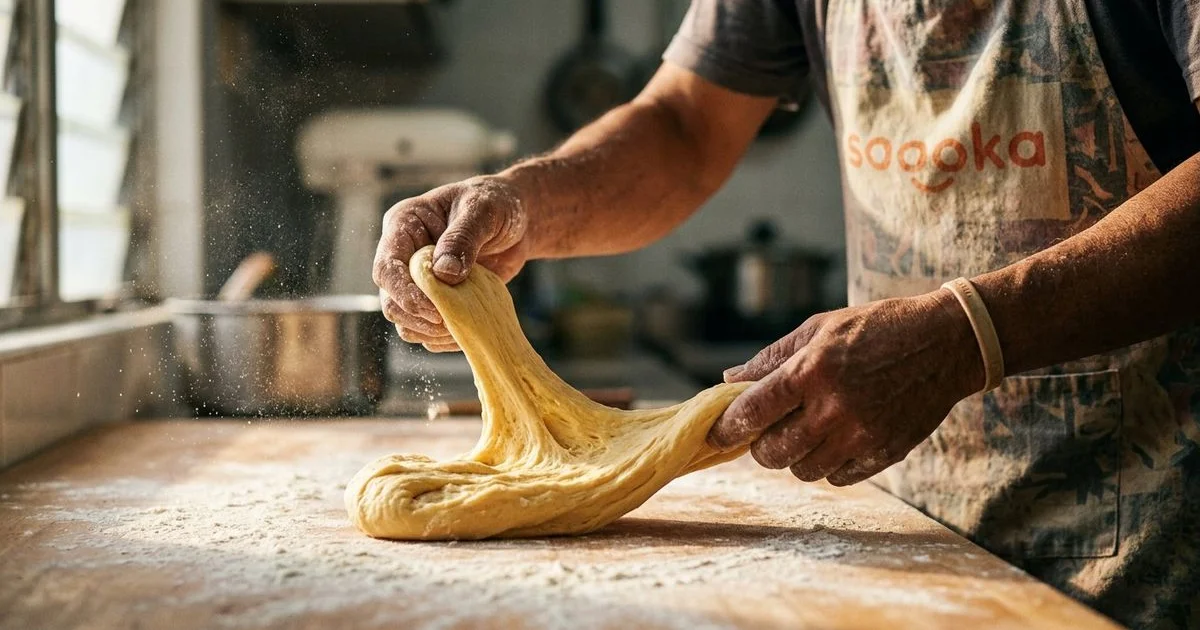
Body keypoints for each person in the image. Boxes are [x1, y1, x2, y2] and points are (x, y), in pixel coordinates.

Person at [373, 1, 1200, 627]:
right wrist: (523, 201)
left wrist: (970, 333)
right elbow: (683, 125)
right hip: (911, 522)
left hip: (1151, 529)